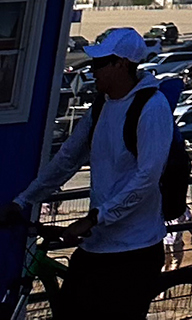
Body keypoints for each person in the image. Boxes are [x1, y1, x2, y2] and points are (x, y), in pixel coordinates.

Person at [0, 26, 172, 319]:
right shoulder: (101, 107)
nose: (92, 71)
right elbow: (68, 158)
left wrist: (95, 217)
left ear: (121, 64)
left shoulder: (152, 108)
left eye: (98, 64)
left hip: (135, 248)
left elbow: (147, 177)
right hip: (98, 244)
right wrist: (23, 200)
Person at [163, 202, 192, 272]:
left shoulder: (163, 205)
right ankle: (172, 277)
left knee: (165, 261)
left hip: (163, 238)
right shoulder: (182, 208)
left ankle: (164, 276)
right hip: (175, 239)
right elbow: (188, 221)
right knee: (176, 260)